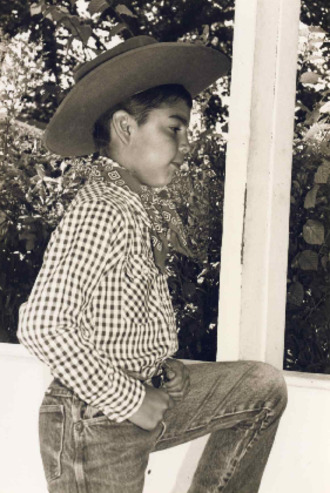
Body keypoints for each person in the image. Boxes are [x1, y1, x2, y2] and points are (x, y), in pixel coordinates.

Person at [18, 36, 287, 493]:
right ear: (125, 128)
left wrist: (162, 367)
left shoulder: (133, 207)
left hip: (141, 395)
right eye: (174, 128)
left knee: (261, 388)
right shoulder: (102, 209)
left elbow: (117, 315)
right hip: (93, 420)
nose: (186, 145)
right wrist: (130, 399)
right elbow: (43, 325)